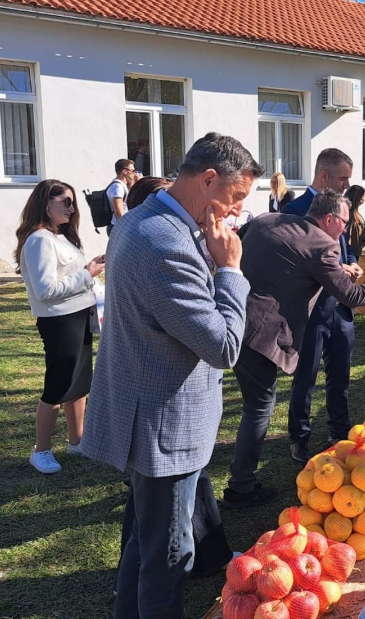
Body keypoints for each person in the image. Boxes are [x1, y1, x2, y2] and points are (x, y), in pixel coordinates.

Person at [82, 132, 262, 618]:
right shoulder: (164, 241)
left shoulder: (146, 219)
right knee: (168, 557)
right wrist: (230, 269)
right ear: (207, 180)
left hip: (147, 411)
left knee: (144, 540)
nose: (236, 212)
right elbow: (223, 346)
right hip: (164, 425)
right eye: (236, 197)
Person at [226, 190, 365, 505]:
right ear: (329, 219)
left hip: (229, 319)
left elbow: (277, 262)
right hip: (260, 334)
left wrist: (335, 272)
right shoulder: (323, 245)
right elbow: (352, 297)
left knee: (244, 404)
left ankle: (236, 479)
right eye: (344, 222)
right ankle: (240, 486)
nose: (346, 230)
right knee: (258, 408)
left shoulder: (267, 220)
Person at [15, 179, 105, 474]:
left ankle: (77, 441)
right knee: (57, 386)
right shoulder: (39, 239)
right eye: (64, 201)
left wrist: (89, 271)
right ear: (45, 204)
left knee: (78, 384)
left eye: (72, 201)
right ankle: (41, 451)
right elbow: (45, 289)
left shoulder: (61, 237)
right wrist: (87, 274)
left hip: (78, 315)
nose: (71, 207)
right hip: (58, 320)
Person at [281, 149, 359, 465]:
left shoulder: (341, 206)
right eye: (343, 178)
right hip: (310, 311)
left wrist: (352, 264)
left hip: (340, 307)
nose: (347, 184)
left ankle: (339, 430)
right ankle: (299, 438)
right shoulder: (295, 210)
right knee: (306, 377)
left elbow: (346, 249)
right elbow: (292, 261)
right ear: (324, 176)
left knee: (340, 374)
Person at [107, 159, 138, 234]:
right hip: (118, 227)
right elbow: (119, 212)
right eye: (133, 171)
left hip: (121, 226)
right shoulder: (117, 187)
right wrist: (123, 230)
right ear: (125, 171)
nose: (134, 173)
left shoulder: (122, 186)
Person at [345, 185, 365, 259]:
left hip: (355, 252)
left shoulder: (355, 214)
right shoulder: (348, 215)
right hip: (351, 254)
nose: (364, 199)